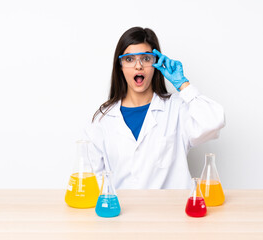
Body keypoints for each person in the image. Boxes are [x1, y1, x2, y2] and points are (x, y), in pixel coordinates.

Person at [84, 27, 225, 189]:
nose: (138, 66)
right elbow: (92, 181)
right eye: (129, 59)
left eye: (146, 58)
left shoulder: (177, 108)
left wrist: (183, 85)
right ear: (120, 66)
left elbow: (214, 122)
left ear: (156, 63)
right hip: (122, 212)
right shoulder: (103, 119)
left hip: (171, 211)